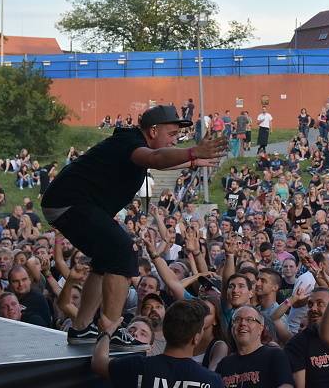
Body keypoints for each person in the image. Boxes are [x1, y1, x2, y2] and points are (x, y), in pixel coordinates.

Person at [41, 104, 227, 346]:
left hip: (67, 202)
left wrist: (192, 163)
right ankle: (111, 329)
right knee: (122, 250)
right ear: (152, 131)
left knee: (105, 260)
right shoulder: (129, 143)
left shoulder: (133, 145)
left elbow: (158, 159)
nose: (174, 141)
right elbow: (156, 158)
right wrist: (192, 152)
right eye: (171, 135)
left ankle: (81, 327)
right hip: (70, 202)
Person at [92, 299, 223, 387]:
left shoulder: (137, 365)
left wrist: (107, 333)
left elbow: (98, 363)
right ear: (196, 337)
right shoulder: (212, 381)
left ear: (165, 331)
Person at [215, 305, 294, 388]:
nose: (243, 323)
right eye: (237, 319)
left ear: (261, 328)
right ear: (231, 328)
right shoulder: (224, 364)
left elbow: (286, 386)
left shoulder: (275, 355)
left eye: (249, 319)